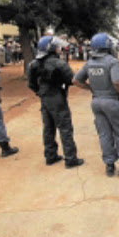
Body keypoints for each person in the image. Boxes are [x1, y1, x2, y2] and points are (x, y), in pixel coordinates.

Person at [73, 33, 119, 177]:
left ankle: (109, 165)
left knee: (104, 134)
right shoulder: (111, 62)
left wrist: (91, 88)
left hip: (96, 102)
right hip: (113, 102)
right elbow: (117, 82)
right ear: (107, 46)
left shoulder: (89, 63)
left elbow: (76, 81)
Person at [27, 36, 84, 168]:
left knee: (48, 128)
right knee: (65, 128)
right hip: (57, 96)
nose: (59, 49)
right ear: (51, 48)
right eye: (57, 47)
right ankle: (70, 159)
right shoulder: (60, 63)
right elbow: (71, 80)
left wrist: (40, 92)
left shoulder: (33, 64)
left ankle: (50, 156)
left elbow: (31, 84)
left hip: (45, 98)